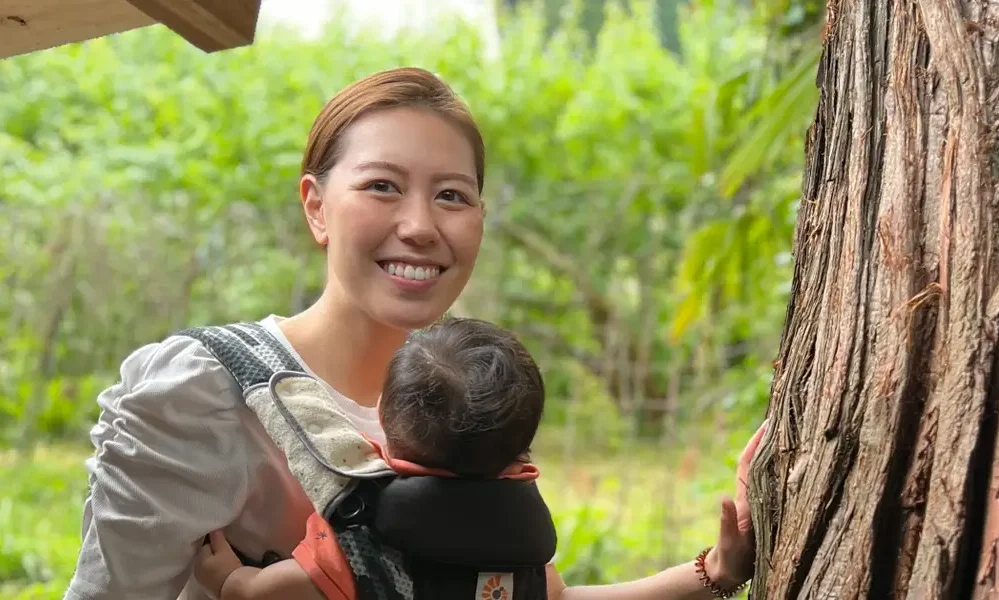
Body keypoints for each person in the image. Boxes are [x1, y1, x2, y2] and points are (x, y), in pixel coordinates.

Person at [63, 66, 765, 600]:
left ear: (480, 220)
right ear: (316, 208)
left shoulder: (469, 406)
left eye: (453, 195)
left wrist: (713, 572)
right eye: (382, 186)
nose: (421, 226)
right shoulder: (202, 390)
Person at [193, 316, 549, 600]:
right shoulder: (523, 546)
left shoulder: (364, 539)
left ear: (380, 415)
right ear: (519, 461)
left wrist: (230, 582)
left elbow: (268, 593)